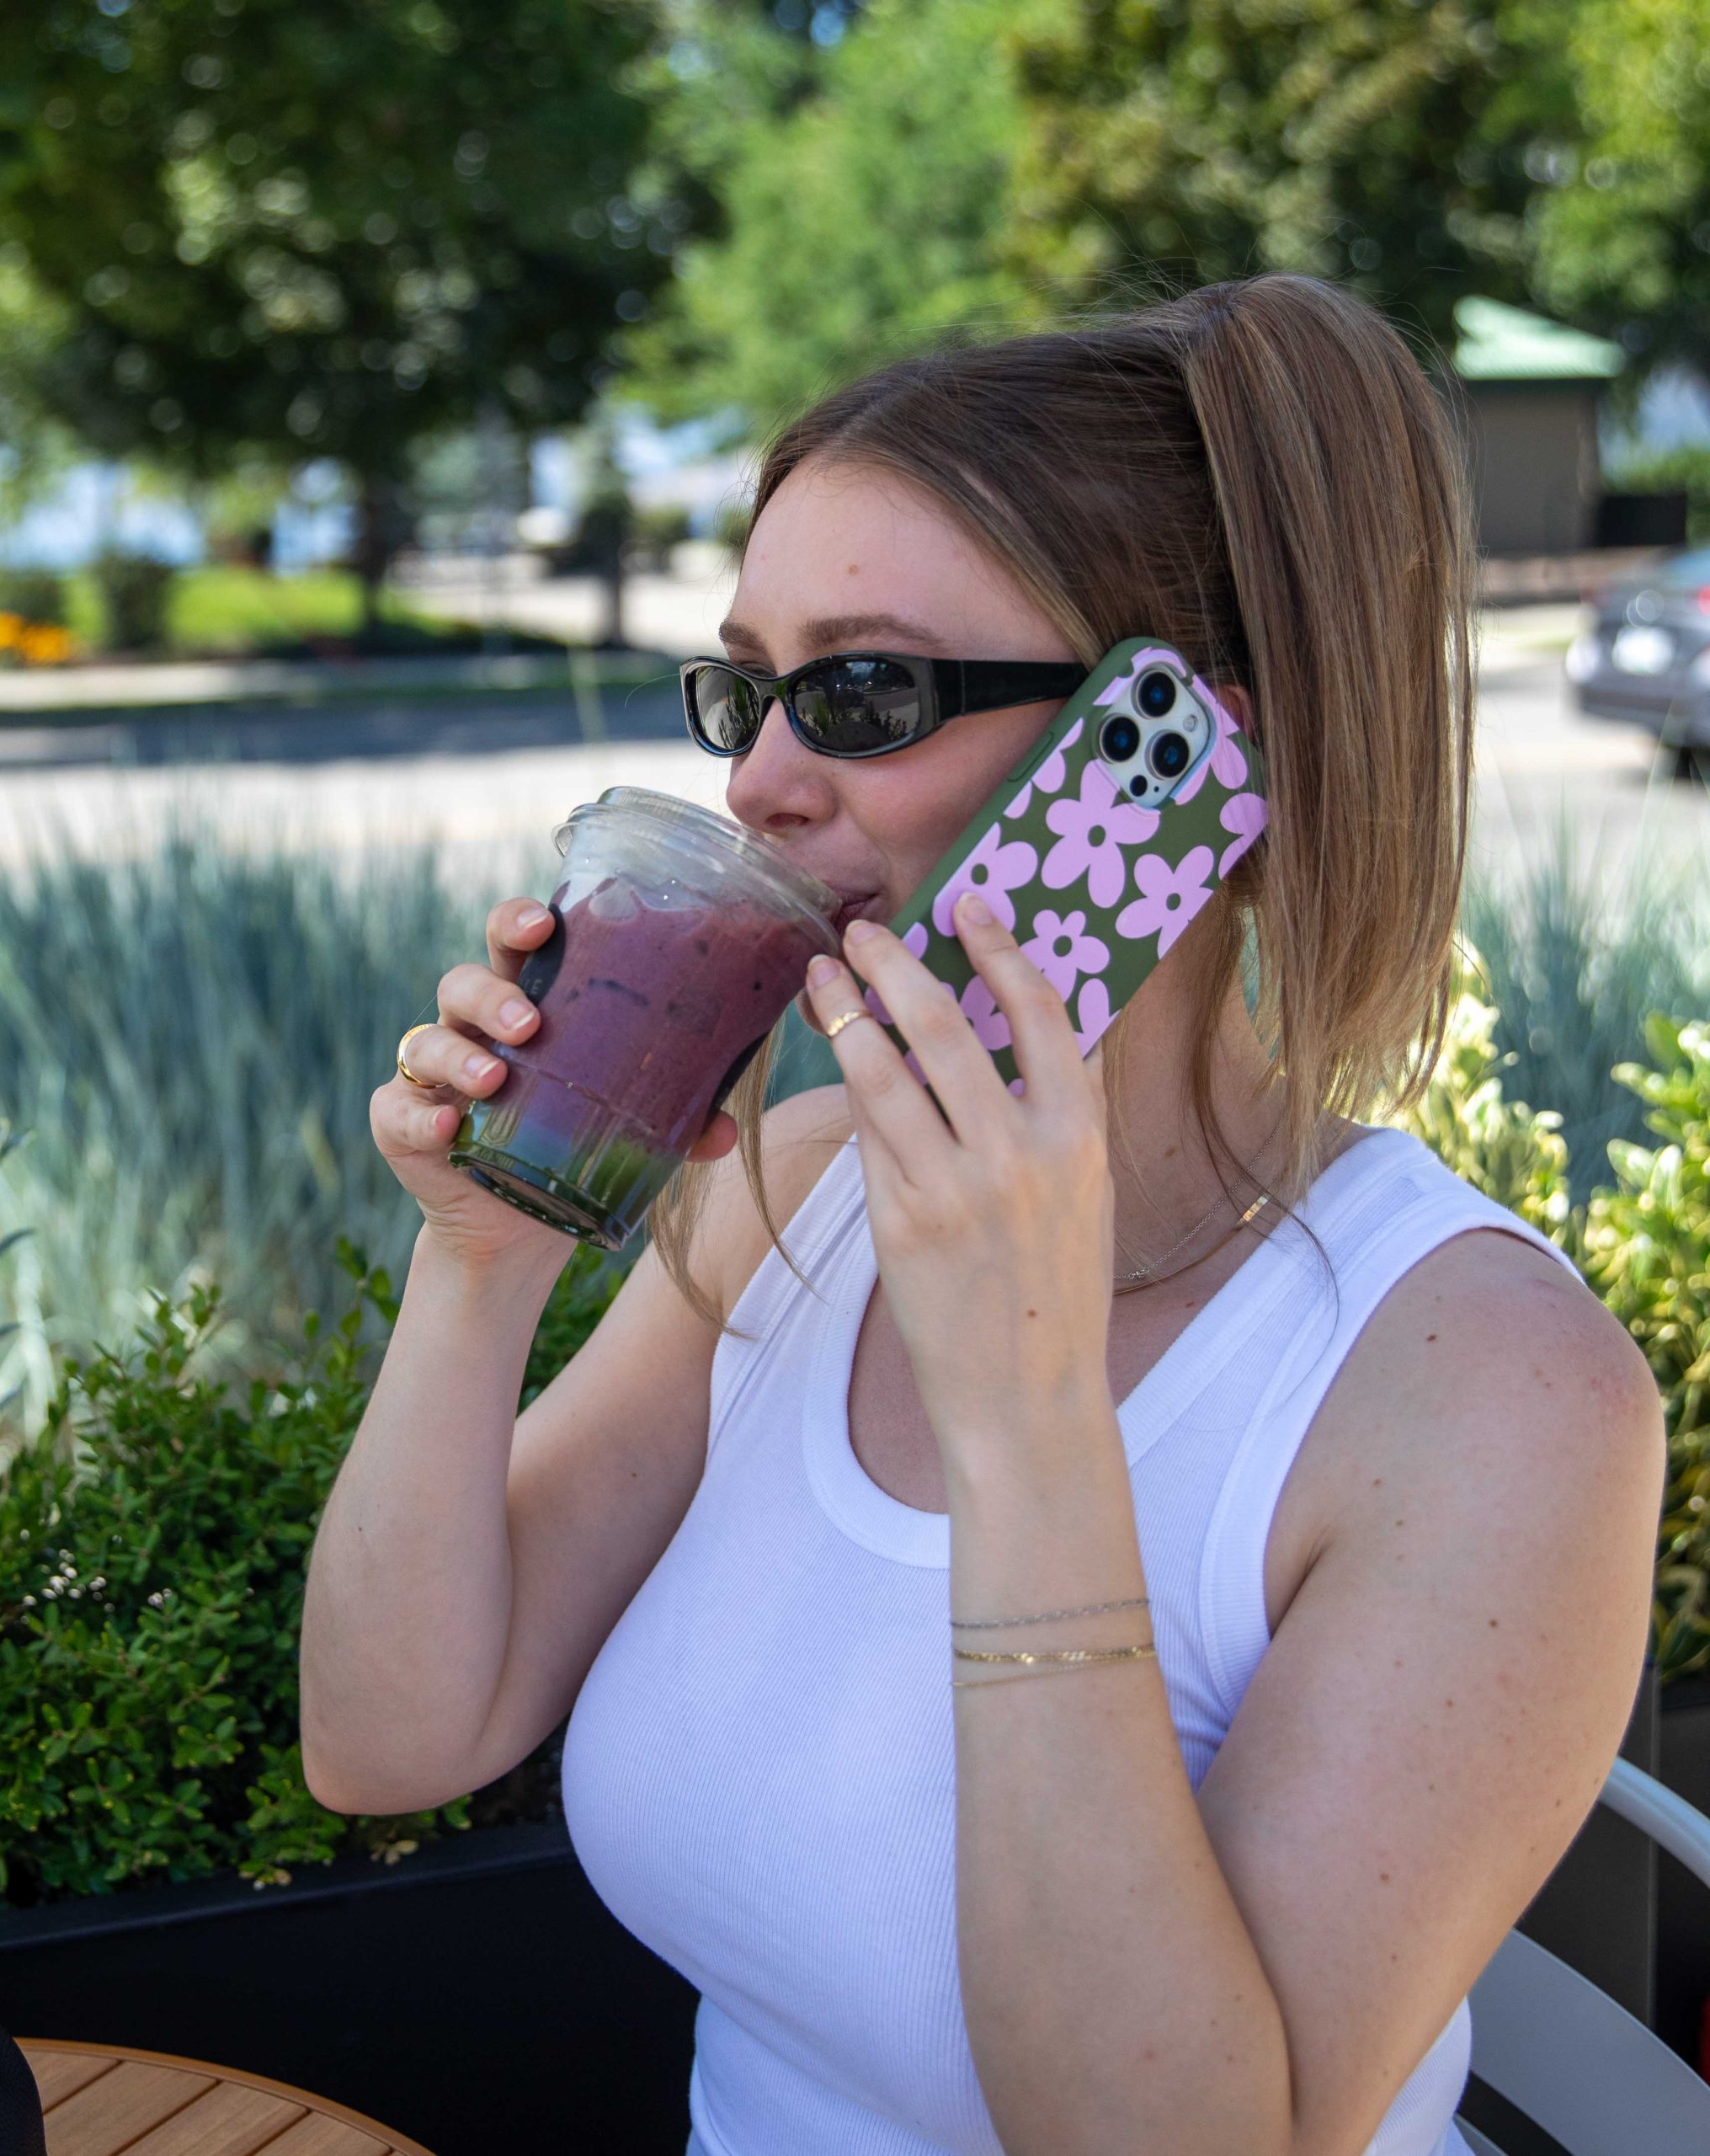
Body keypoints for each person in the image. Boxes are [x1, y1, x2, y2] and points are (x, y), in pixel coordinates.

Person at [298, 273, 1666, 2156]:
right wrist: (482, 1264)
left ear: (1176, 764)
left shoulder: (1484, 1395)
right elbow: (386, 1738)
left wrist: (1028, 1423)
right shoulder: (788, 1195)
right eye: (744, 687)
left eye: (858, 692)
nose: (756, 782)